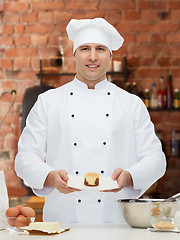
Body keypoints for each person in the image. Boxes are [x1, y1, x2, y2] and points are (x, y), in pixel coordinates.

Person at [15, 18, 166, 224]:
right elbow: (24, 158)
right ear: (74, 53)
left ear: (110, 55)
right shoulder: (48, 102)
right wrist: (50, 177)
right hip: (63, 222)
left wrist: (129, 176)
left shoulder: (131, 104)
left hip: (116, 223)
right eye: (85, 48)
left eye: (100, 49)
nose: (93, 57)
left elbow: (156, 159)